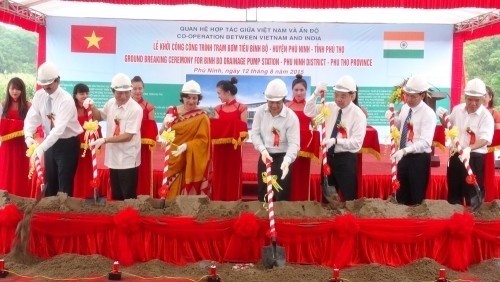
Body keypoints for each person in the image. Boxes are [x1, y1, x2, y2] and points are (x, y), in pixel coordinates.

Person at [24, 62, 83, 197]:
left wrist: (40, 148)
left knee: (64, 185)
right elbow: (32, 117)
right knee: (50, 183)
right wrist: (28, 136)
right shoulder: (40, 96)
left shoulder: (66, 100)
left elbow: (58, 130)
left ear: (58, 80)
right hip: (50, 143)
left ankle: (63, 215)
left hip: (67, 143)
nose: (45, 87)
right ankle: (49, 215)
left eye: (49, 84)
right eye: (43, 84)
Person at [305, 75, 366, 202]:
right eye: (336, 94)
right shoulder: (330, 107)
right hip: (328, 158)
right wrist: (316, 93)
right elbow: (308, 111)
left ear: (352, 96)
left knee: (349, 197)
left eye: (343, 96)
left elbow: (357, 143)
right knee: (327, 197)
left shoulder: (358, 115)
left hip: (346, 159)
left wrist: (336, 141)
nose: (338, 99)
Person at [437, 78, 494, 206]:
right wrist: (442, 117)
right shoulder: (457, 109)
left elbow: (485, 139)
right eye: (469, 99)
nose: (473, 103)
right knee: (454, 193)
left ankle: (472, 220)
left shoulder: (486, 116)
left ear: (483, 98)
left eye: (477, 100)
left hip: (474, 157)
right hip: (456, 155)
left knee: (471, 194)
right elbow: (448, 125)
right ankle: (454, 219)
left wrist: (469, 148)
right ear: (465, 97)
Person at [89, 73, 143, 200]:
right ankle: (117, 218)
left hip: (128, 159)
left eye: (127, 92)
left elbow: (128, 136)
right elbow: (98, 116)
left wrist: (105, 140)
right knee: (116, 196)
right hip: (113, 158)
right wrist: (92, 106)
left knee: (128, 197)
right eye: (119, 93)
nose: (123, 96)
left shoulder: (135, 109)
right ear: (112, 91)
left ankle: (129, 218)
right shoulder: (111, 103)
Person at [387, 75, 436, 205]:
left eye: (413, 96)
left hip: (418, 158)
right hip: (403, 156)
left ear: (422, 95)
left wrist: (406, 150)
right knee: (401, 194)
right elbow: (401, 127)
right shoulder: (405, 108)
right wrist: (392, 119)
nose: (408, 99)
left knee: (416, 196)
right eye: (407, 95)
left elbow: (426, 141)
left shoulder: (428, 114)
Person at [251, 78, 300, 202]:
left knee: (281, 191)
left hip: (283, 158)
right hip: (265, 156)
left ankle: (280, 219)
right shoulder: (260, 112)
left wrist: (288, 160)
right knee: (263, 190)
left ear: (284, 99)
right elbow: (255, 134)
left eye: (277, 102)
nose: (274, 105)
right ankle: (263, 218)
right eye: (270, 102)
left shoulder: (291, 117)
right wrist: (262, 150)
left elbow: (294, 143)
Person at [159, 80, 210, 198]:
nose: (191, 101)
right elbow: (163, 134)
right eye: (188, 97)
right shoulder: (172, 111)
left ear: (198, 98)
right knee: (170, 192)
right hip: (173, 156)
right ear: (182, 97)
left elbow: (203, 142)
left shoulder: (202, 116)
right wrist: (165, 126)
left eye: (194, 98)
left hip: (191, 159)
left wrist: (187, 146)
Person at [211, 77, 248, 201]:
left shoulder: (242, 108)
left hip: (234, 148)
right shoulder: (218, 108)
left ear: (227, 92)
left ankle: (233, 200)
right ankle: (217, 199)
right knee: (219, 173)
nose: (218, 96)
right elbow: (215, 128)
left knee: (233, 174)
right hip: (219, 149)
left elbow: (243, 129)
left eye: (219, 93)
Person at [286, 74, 320, 201]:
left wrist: (323, 116)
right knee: (289, 172)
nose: (299, 93)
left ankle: (303, 199)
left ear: (306, 91)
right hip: (288, 146)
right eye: (296, 90)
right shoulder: (286, 107)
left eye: (302, 90)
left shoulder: (309, 107)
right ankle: (288, 200)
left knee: (302, 173)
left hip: (305, 146)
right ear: (292, 91)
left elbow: (315, 125)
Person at [0, 77, 32, 197]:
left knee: (20, 172)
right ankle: (3, 200)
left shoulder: (28, 106)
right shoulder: (3, 105)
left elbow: (33, 124)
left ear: (22, 91)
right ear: (8, 89)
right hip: (7, 146)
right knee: (5, 172)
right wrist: (18, 124)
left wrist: (9, 123)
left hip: (22, 145)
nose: (15, 92)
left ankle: (20, 199)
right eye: (13, 88)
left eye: (18, 89)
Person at [71, 83, 102, 199]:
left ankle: (88, 194)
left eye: (86, 93)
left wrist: (92, 107)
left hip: (88, 147)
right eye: (81, 93)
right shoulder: (71, 108)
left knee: (88, 170)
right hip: (74, 145)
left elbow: (98, 119)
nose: (84, 95)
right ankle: (74, 195)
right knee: (75, 170)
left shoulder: (90, 107)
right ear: (75, 95)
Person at [131, 75, 158, 197]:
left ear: (143, 89)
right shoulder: (125, 106)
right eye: (135, 88)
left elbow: (151, 128)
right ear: (130, 89)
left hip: (143, 148)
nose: (137, 91)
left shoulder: (149, 107)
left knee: (143, 171)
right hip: (127, 145)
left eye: (140, 88)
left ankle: (144, 196)